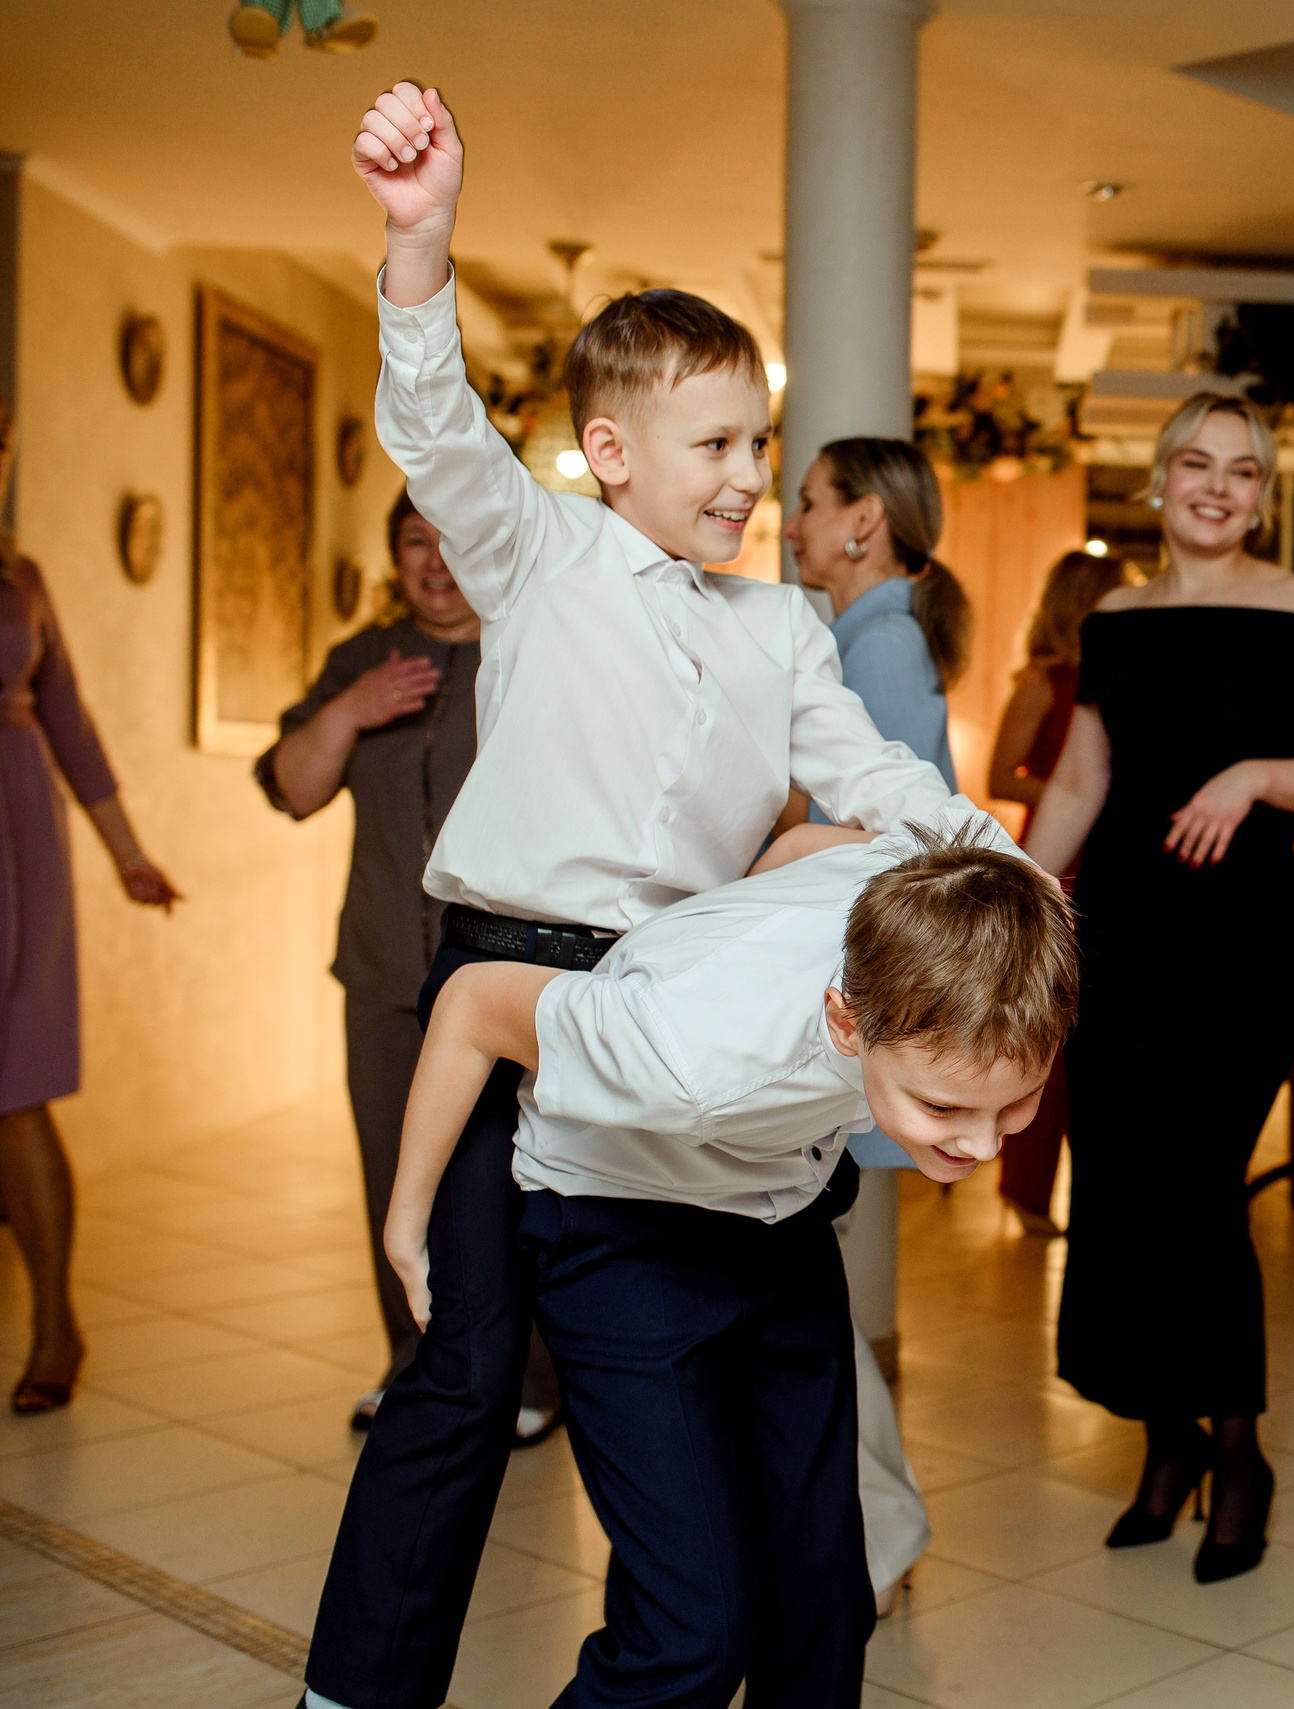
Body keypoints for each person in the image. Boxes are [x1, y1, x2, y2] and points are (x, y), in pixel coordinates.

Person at [307, 82, 989, 1709]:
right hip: (507, 975)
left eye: (762, 443)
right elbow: (435, 427)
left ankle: (725, 1629)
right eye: (717, 444)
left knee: (706, 1340)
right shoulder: (537, 551)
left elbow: (886, 782)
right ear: (610, 451)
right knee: (467, 1366)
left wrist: (996, 857)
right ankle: (356, 1690)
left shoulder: (781, 632)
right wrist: (422, 240)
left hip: (675, 1000)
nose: (752, 476)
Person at [378, 825, 1073, 1704]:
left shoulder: (969, 898)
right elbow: (474, 1003)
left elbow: (803, 848)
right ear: (845, 1019)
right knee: (691, 1633)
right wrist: (408, 1222)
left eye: (1013, 1105)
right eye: (944, 1106)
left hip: (777, 1213)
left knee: (824, 1599)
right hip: (615, 1223)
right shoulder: (686, 1046)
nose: (978, 1143)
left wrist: (741, 911)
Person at [1024, 393, 1294, 1584]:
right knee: (1117, 1185)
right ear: (1161, 480)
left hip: (1238, 939)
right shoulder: (1115, 618)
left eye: (1242, 469)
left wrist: (1255, 775)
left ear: (1263, 494)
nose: (1216, 485)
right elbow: (1080, 777)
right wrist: (1019, 897)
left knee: (1197, 1188)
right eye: (1196, 463)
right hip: (1120, 927)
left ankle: (1239, 1453)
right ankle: (1163, 1444)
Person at [257, 489, 557, 1437]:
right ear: (392, 555)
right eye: (412, 540)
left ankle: (532, 1380)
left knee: (522, 1178)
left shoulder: (534, 652)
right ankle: (414, 1365)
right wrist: (351, 708)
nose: (433, 559)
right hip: (387, 977)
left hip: (508, 980)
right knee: (396, 1178)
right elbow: (292, 787)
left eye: (451, 539)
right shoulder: (363, 658)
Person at [0, 401, 181, 1416]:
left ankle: (56, 1321)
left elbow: (71, 722)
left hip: (16, 836)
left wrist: (128, 855)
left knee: (16, 1084)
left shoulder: (21, 581)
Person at [985, 547, 1131, 1235]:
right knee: (1045, 1026)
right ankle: (1027, 1187)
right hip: (1055, 847)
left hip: (1106, 853)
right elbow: (1001, 774)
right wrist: (1079, 793)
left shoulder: (1122, 671)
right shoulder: (1044, 681)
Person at [784, 437, 969, 794]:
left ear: (864, 519)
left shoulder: (884, 646)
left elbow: (886, 829)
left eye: (807, 504)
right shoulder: (873, 637)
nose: (790, 528)